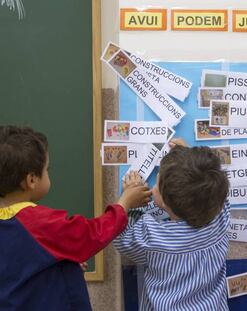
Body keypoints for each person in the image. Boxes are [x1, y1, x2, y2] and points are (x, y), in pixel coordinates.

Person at [0, 126, 151, 311]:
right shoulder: (36, 223)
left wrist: (60, 263)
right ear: (31, 180)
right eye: (47, 169)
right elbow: (90, 234)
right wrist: (125, 204)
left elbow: (24, 267)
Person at [113, 139, 230, 310]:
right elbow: (214, 188)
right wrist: (191, 161)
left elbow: (121, 239)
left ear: (165, 203)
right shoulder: (220, 218)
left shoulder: (152, 236)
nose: (153, 187)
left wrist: (128, 203)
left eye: (157, 183)